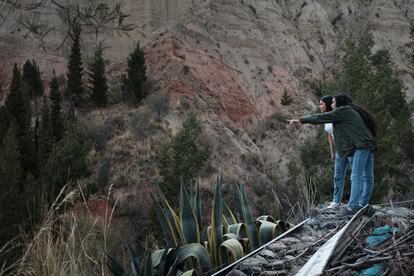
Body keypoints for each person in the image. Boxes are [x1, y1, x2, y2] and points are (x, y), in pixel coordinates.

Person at [289, 94, 377, 217]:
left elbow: (319, 118)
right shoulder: (351, 111)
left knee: (356, 176)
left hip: (361, 146)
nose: (331, 105)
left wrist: (300, 120)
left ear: (339, 103)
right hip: (368, 144)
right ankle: (363, 204)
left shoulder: (342, 111)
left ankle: (352, 207)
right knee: (368, 177)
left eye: (333, 102)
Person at [319, 96, 351, 209]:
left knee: (356, 175)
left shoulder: (336, 115)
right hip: (339, 150)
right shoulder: (325, 118)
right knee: (337, 175)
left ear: (327, 104)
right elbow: (329, 136)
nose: (319, 106)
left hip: (349, 147)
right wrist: (332, 151)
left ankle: (358, 202)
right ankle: (336, 201)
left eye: (321, 104)